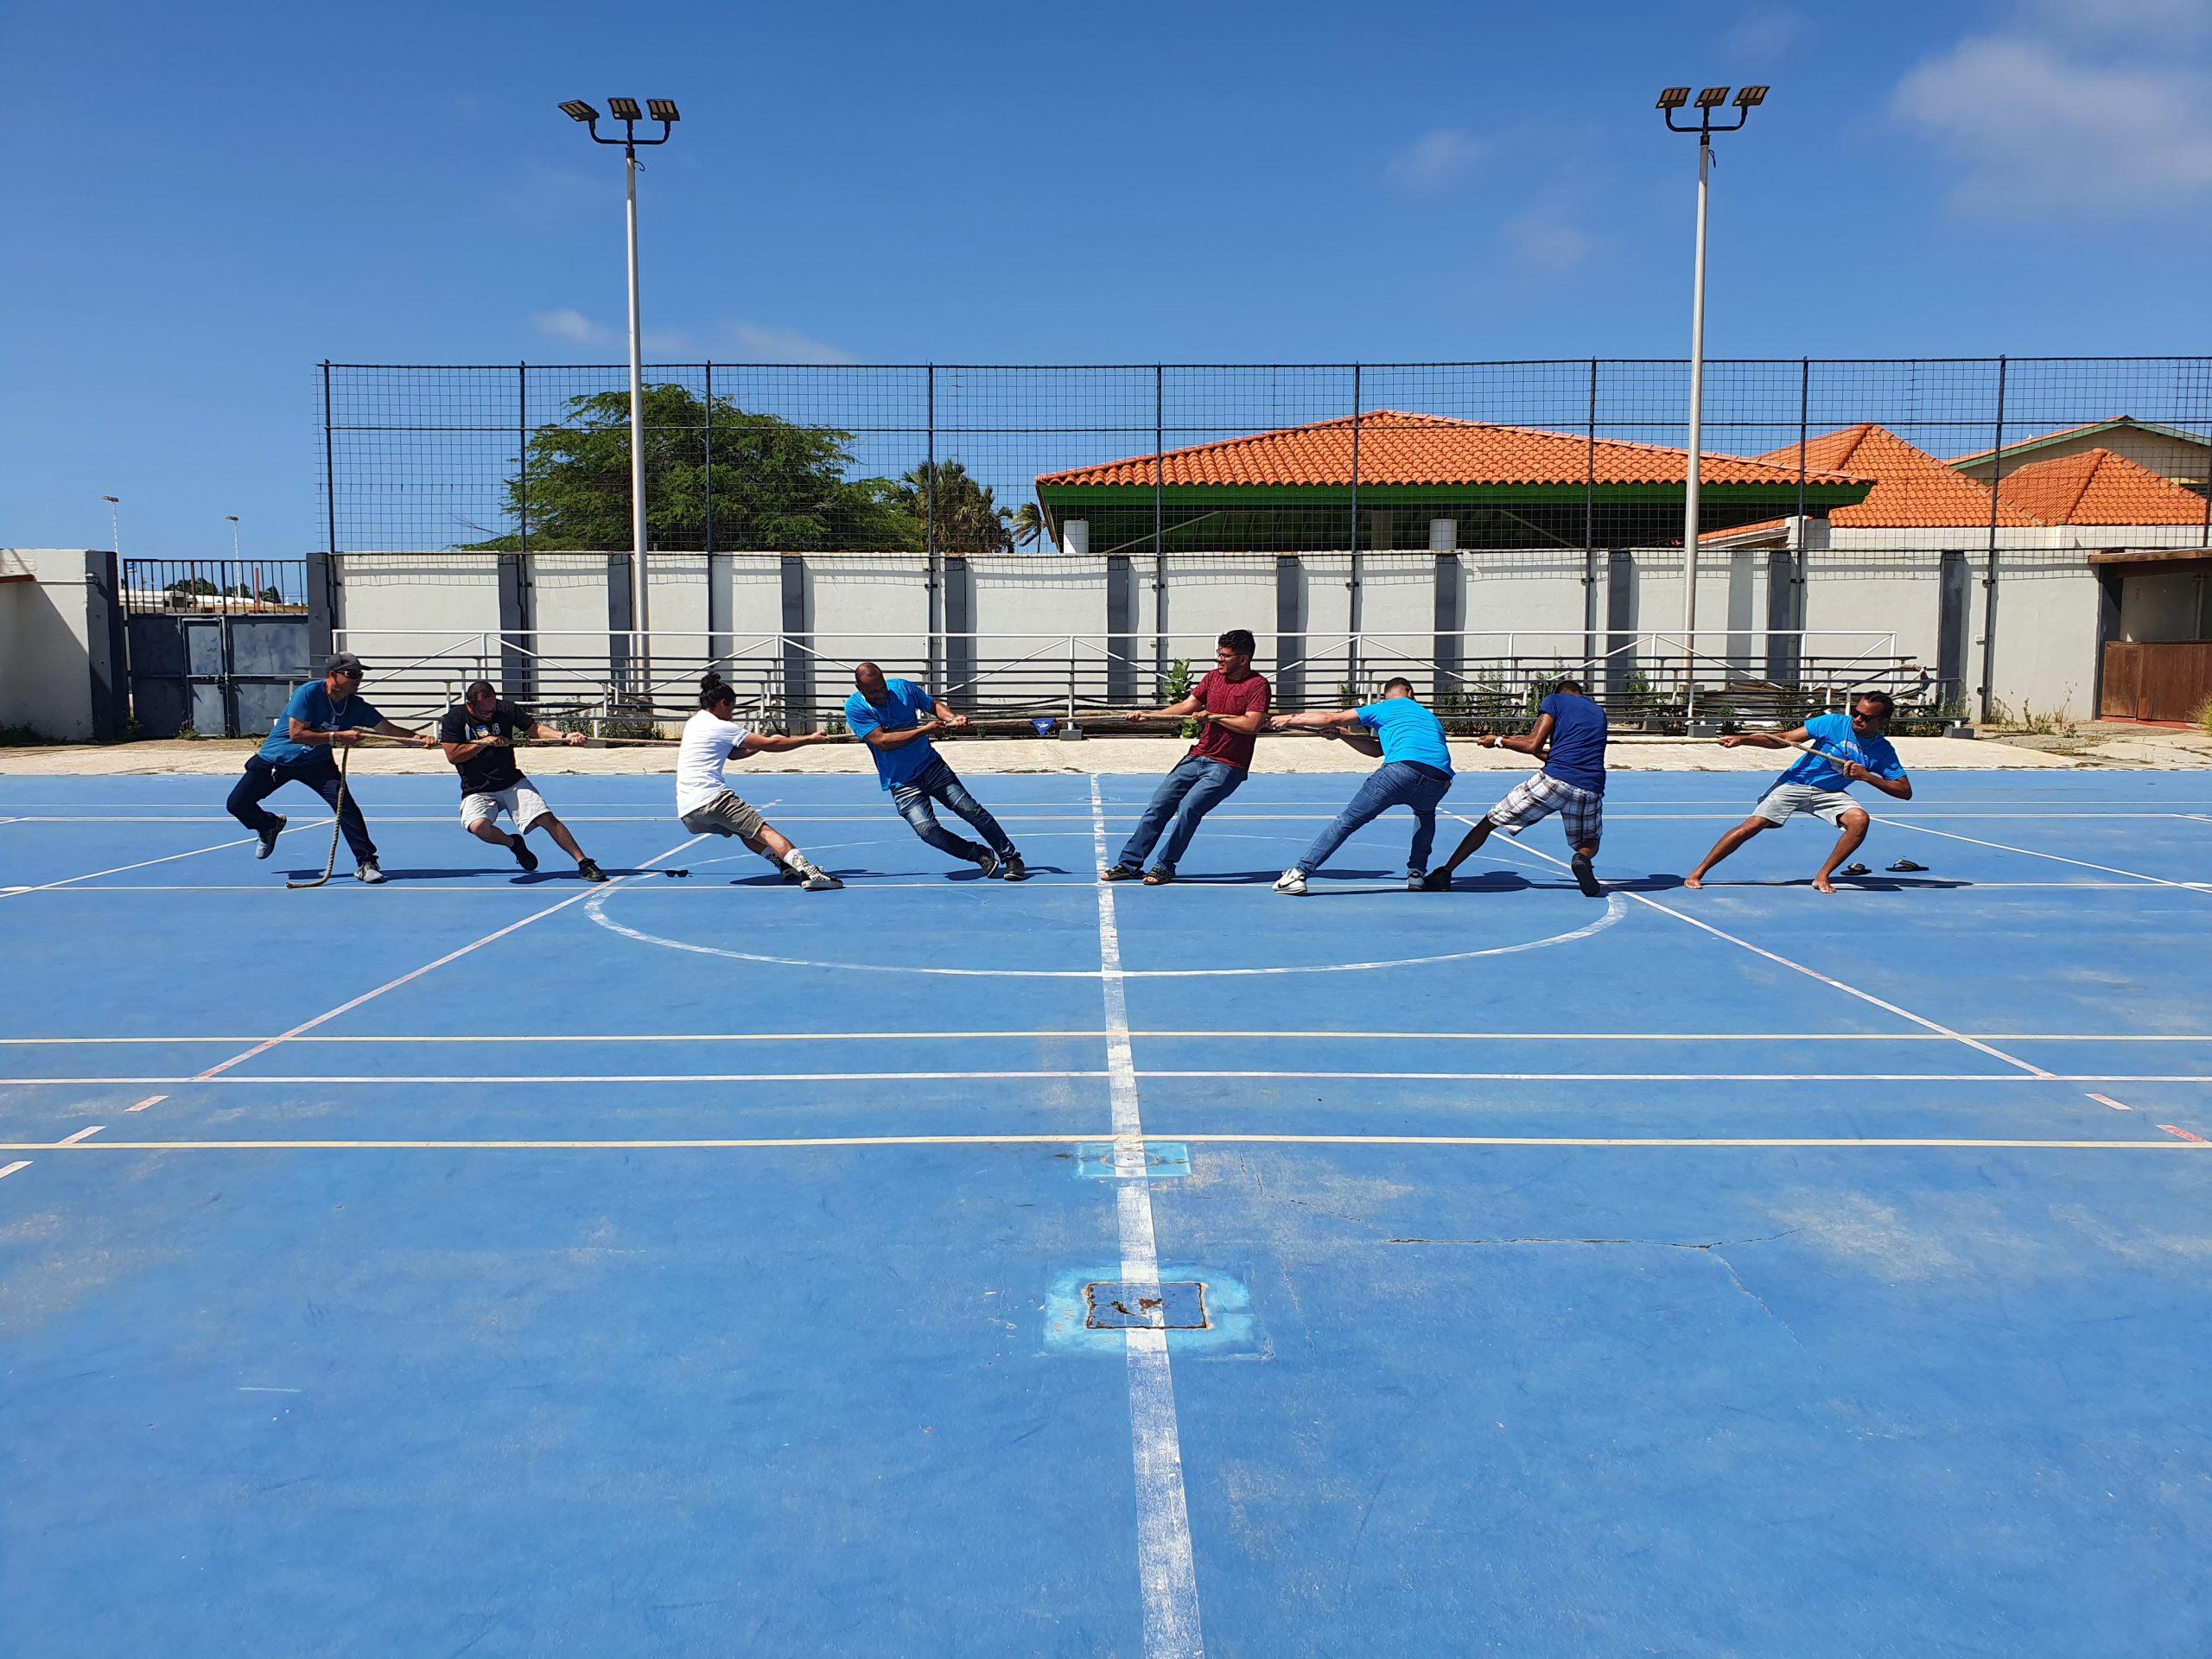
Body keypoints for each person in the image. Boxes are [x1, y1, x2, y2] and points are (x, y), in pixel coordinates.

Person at [225, 652, 434, 885]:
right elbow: (297, 735)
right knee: (236, 804)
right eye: (352, 674)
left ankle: (366, 862)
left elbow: (388, 729)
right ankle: (269, 825)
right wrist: (337, 736)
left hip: (317, 765)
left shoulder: (355, 706)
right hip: (277, 760)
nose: (358, 679)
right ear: (332, 675)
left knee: (346, 807)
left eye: (360, 674)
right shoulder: (309, 694)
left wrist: (419, 737)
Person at [1683, 690, 1913, 894]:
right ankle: (1699, 871)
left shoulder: (1882, 750)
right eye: (1856, 712)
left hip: (1830, 793)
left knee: (1860, 820)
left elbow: (1904, 791)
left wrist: (1866, 776)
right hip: (1795, 783)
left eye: (1867, 717)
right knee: (1752, 826)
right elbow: (1784, 739)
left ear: (1883, 721)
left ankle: (1823, 875)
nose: (1858, 719)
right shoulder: (1833, 723)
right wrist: (1744, 740)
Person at [1101, 628, 1272, 887]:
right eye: (1219, 654)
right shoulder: (1213, 678)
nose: (1219, 660)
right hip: (1197, 757)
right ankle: (1129, 864)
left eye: (1225, 656)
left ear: (1243, 659)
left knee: (1189, 808)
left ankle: (1165, 866)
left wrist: (1214, 716)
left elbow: (1251, 725)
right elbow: (1188, 705)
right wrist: (1150, 716)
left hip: (1228, 766)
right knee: (1158, 806)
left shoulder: (1258, 685)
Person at [1424, 677, 1610, 899]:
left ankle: (1445, 873)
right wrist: (1517, 743)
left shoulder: (1555, 701)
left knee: (1489, 822)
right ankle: (1582, 858)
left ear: (1562, 693)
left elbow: (1533, 744)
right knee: (1590, 840)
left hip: (1554, 780)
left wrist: (1499, 741)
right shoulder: (1598, 712)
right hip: (1590, 786)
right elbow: (1552, 753)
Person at [1269, 677, 1453, 894]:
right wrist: (1343, 735)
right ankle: (1416, 874)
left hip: (1399, 773)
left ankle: (1299, 874)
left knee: (1347, 821)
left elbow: (1330, 717)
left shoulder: (1383, 708)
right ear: (1410, 693)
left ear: (1387, 695)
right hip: (1439, 779)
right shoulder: (1428, 717)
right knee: (1425, 815)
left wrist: (1290, 719)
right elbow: (1377, 750)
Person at [845, 662, 1027, 881]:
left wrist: (950, 718)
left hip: (931, 767)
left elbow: (934, 706)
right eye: (873, 691)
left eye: (882, 687)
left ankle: (1011, 857)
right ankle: (977, 853)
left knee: (971, 810)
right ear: (859, 688)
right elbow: (882, 741)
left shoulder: (902, 688)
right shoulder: (855, 708)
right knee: (927, 832)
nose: (880, 693)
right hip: (901, 781)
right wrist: (924, 730)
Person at [677, 674, 845, 890]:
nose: (731, 714)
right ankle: (809, 871)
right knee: (765, 831)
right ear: (722, 704)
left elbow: (734, 754)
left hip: (689, 811)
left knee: (743, 831)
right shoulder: (721, 726)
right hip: (713, 798)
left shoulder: (695, 722)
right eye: (731, 708)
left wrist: (764, 743)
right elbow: (771, 745)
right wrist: (809, 739)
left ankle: (783, 864)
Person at [436, 680, 607, 881]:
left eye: (492, 710)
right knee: (478, 828)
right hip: (477, 788)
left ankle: (584, 862)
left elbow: (534, 730)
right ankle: (514, 844)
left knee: (546, 817)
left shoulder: (506, 708)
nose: (489, 714)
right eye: (484, 713)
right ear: (470, 704)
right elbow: (453, 756)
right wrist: (483, 743)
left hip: (511, 781)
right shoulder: (454, 719)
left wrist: (565, 736)